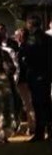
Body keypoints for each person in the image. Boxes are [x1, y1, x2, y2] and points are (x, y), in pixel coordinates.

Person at [19, 14, 52, 142]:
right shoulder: (48, 38)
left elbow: (26, 57)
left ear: (29, 25)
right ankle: (49, 130)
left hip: (36, 73)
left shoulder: (32, 40)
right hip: (46, 74)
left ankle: (40, 132)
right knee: (47, 103)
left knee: (38, 104)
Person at [13, 28, 34, 136]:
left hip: (25, 79)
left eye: (17, 35)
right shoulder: (27, 47)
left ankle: (32, 127)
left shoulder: (24, 48)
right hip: (27, 79)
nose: (15, 37)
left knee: (28, 104)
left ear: (21, 36)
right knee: (28, 104)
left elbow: (23, 66)